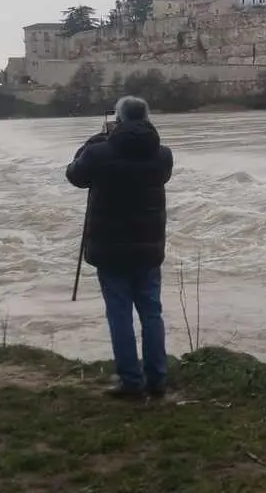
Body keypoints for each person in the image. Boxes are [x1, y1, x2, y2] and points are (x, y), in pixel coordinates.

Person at [66, 95, 174, 400]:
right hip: (149, 248)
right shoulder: (163, 155)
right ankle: (157, 379)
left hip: (110, 249)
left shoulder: (100, 152)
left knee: (120, 313)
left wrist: (95, 140)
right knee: (152, 312)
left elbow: (75, 174)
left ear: (119, 119)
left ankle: (130, 381)